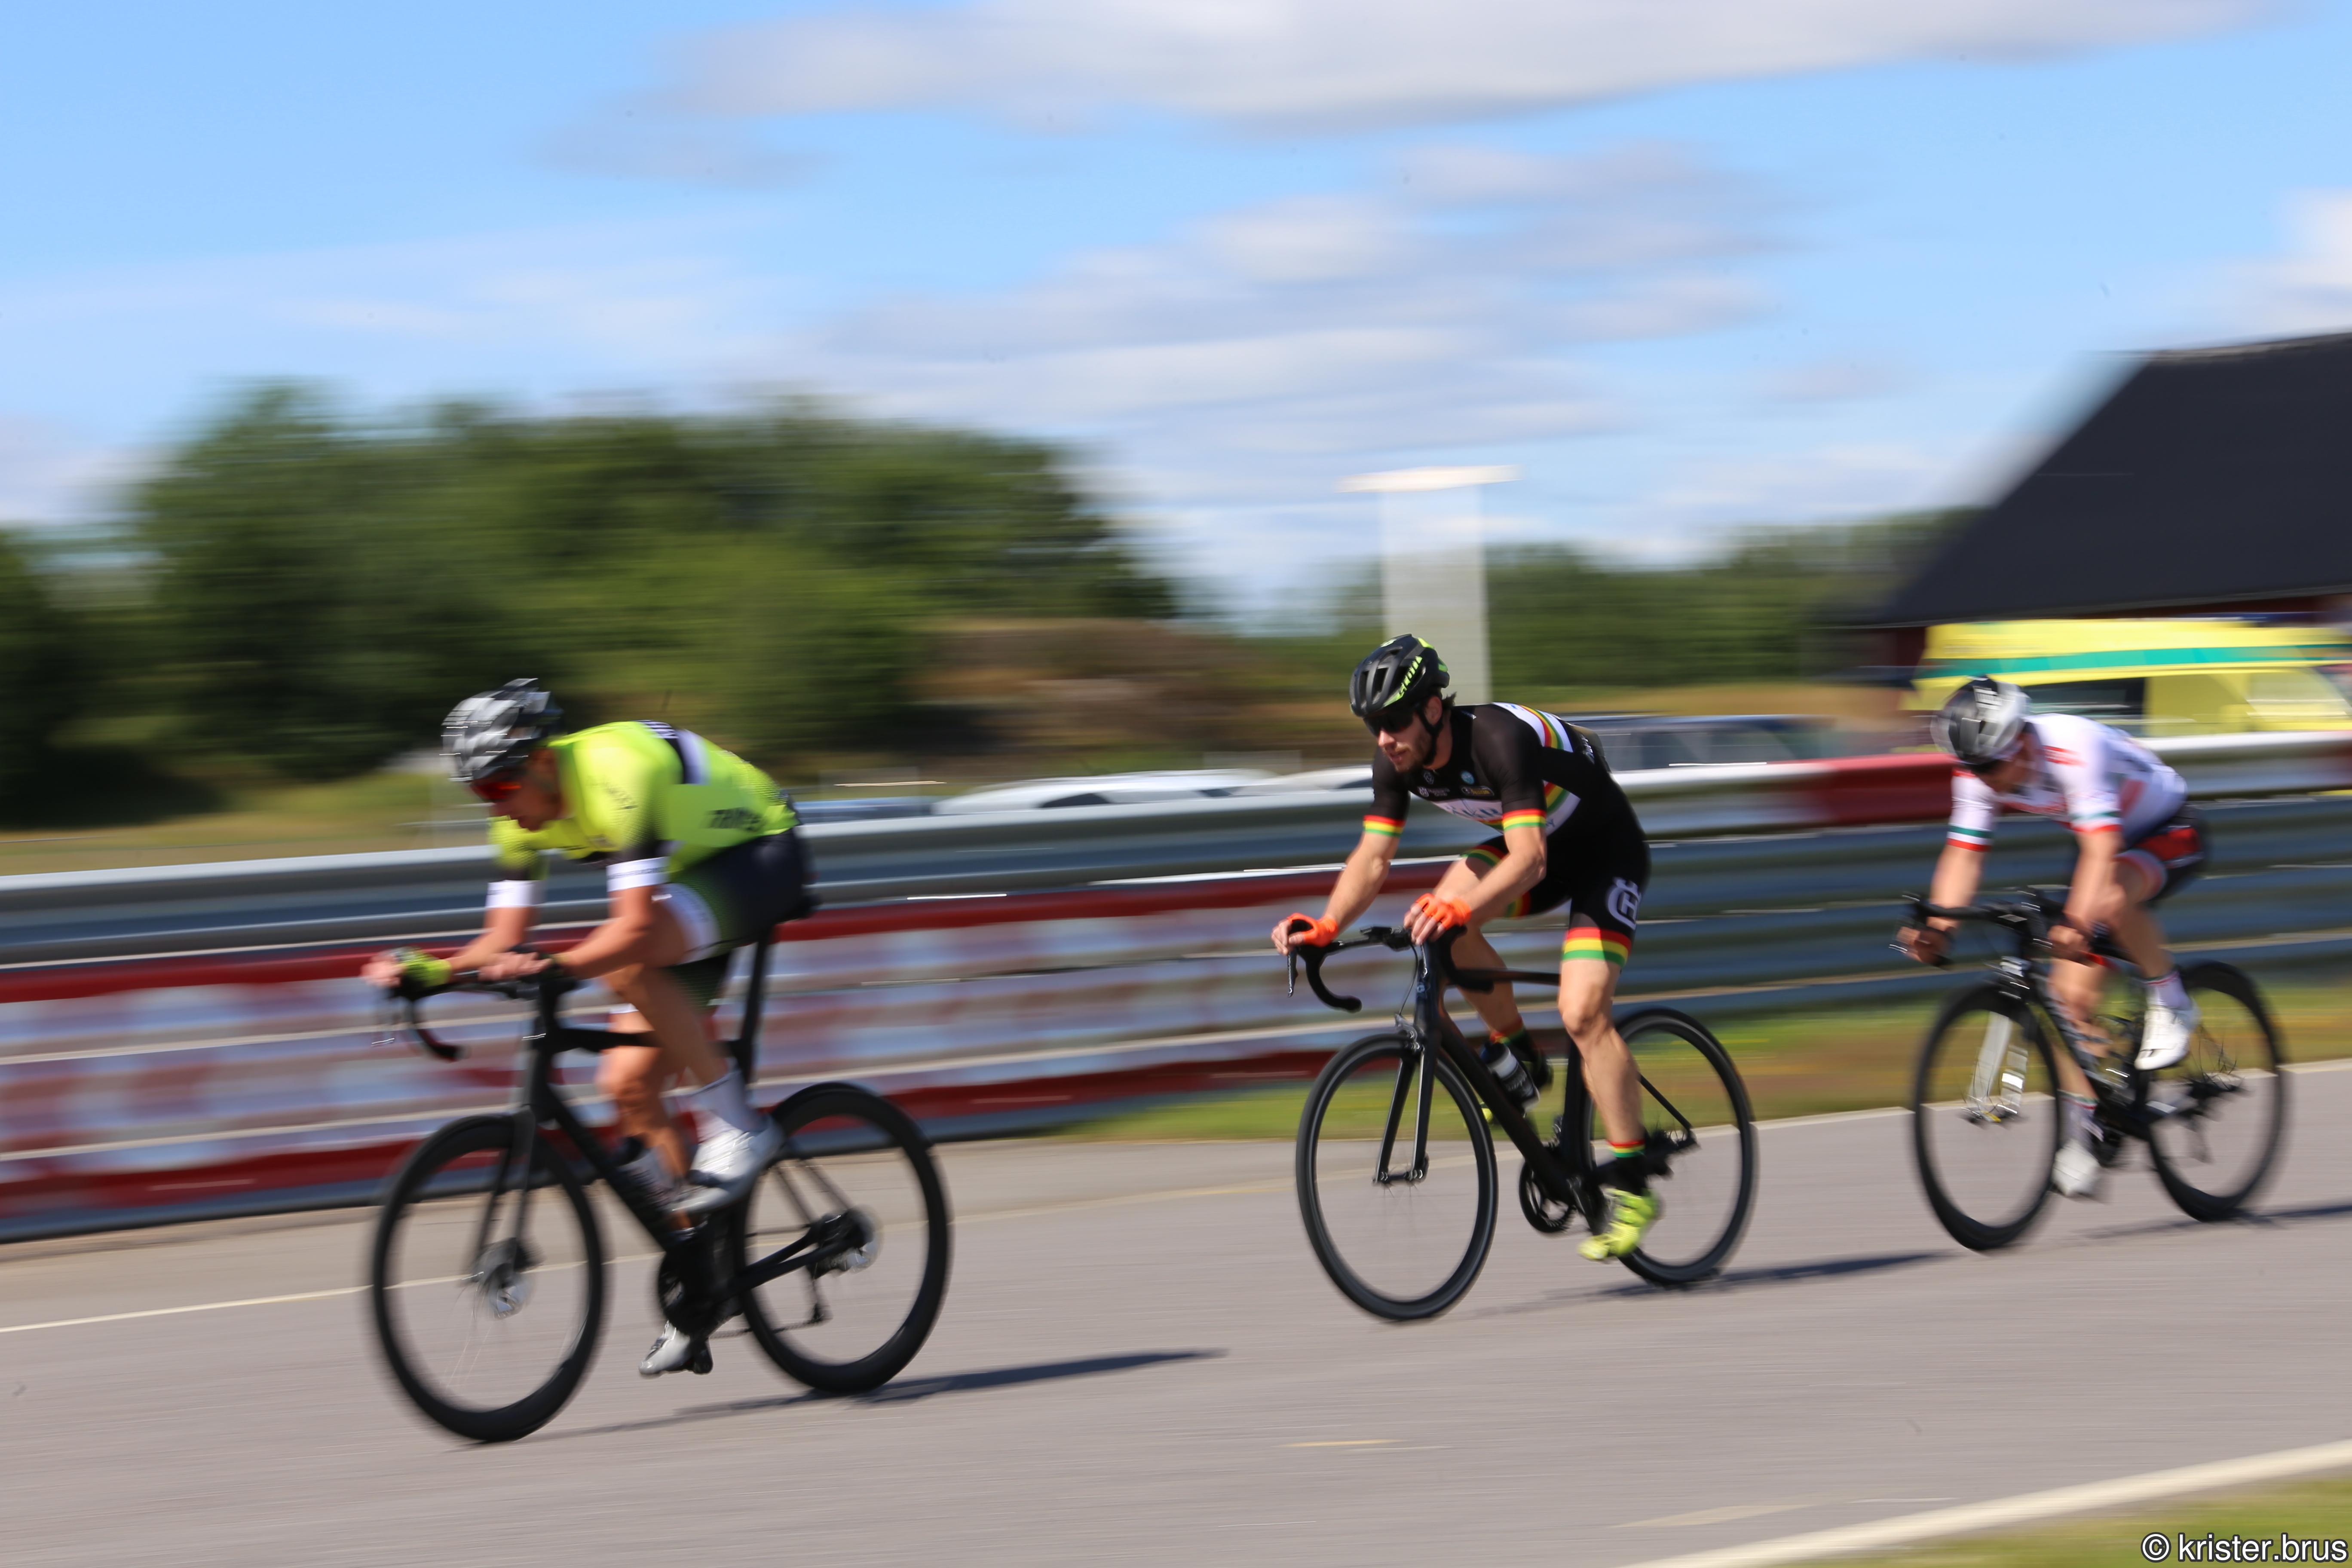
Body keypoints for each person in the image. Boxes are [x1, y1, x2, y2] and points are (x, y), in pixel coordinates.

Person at [363, 679, 812, 1375]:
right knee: (627, 1085)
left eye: (502, 787)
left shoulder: (617, 773)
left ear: (543, 761)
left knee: (627, 963)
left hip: (757, 853)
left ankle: (739, 1126)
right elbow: (503, 938)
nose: (498, 806)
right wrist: (433, 970)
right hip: (688, 884)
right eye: (482, 794)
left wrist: (559, 965)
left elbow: (631, 929)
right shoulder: (516, 812)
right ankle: (703, 1278)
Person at [1271, 635, 1660, 1262]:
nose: (1384, 739)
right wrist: (1326, 923)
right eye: (1373, 726)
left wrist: (1463, 908)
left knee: (1583, 1012)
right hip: (1535, 847)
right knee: (1435, 916)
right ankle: (1521, 1056)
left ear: (1432, 709)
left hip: (1602, 855)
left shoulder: (1497, 738)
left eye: (1394, 721)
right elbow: (1373, 858)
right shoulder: (1396, 759)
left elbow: (1530, 861)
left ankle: (1635, 1182)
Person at [1899, 676, 2207, 1200]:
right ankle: (2088, 1129)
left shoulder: (2072, 746)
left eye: (1989, 768)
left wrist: (2078, 923)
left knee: (2107, 900)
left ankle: (2173, 1001)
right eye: (1972, 769)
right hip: (2104, 842)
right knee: (2068, 1003)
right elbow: (1964, 854)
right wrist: (1940, 929)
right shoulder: (1980, 769)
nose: (1981, 779)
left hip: (2167, 828)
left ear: (2020, 742)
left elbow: (2100, 851)